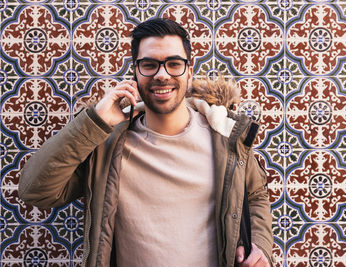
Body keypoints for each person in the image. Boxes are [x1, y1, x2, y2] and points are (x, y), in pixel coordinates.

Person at [19, 18, 274, 266]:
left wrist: (260, 243)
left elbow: (255, 194)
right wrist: (94, 121)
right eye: (149, 64)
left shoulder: (224, 134)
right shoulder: (106, 146)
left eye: (174, 64)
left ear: (189, 70)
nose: (162, 75)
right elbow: (35, 191)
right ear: (136, 71)